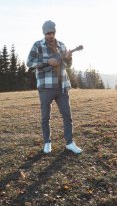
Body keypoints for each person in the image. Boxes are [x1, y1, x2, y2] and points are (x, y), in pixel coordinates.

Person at [27, 20, 83, 154]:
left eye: (52, 33)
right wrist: (47, 61)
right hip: (45, 87)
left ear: (55, 32)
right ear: (44, 33)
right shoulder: (37, 45)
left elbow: (68, 66)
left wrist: (69, 58)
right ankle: (47, 143)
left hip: (62, 86)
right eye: (47, 33)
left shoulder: (62, 46)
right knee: (45, 117)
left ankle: (69, 143)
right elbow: (29, 62)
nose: (50, 36)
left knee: (67, 116)